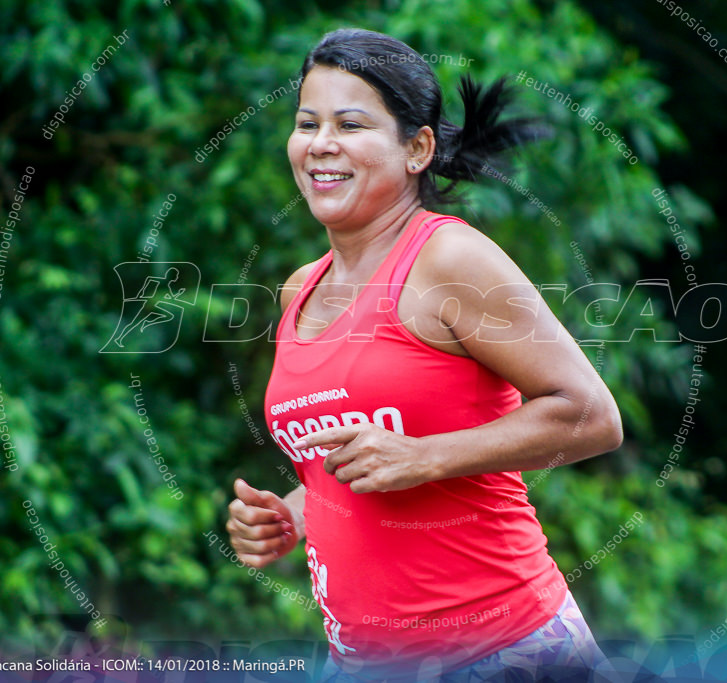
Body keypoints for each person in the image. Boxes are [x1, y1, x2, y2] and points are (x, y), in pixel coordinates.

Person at [226, 28, 623, 682]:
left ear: (417, 148)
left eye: (350, 124)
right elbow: (350, 466)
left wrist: (425, 456)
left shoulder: (447, 259)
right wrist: (289, 514)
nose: (321, 143)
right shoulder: (301, 288)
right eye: (307, 122)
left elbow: (590, 415)